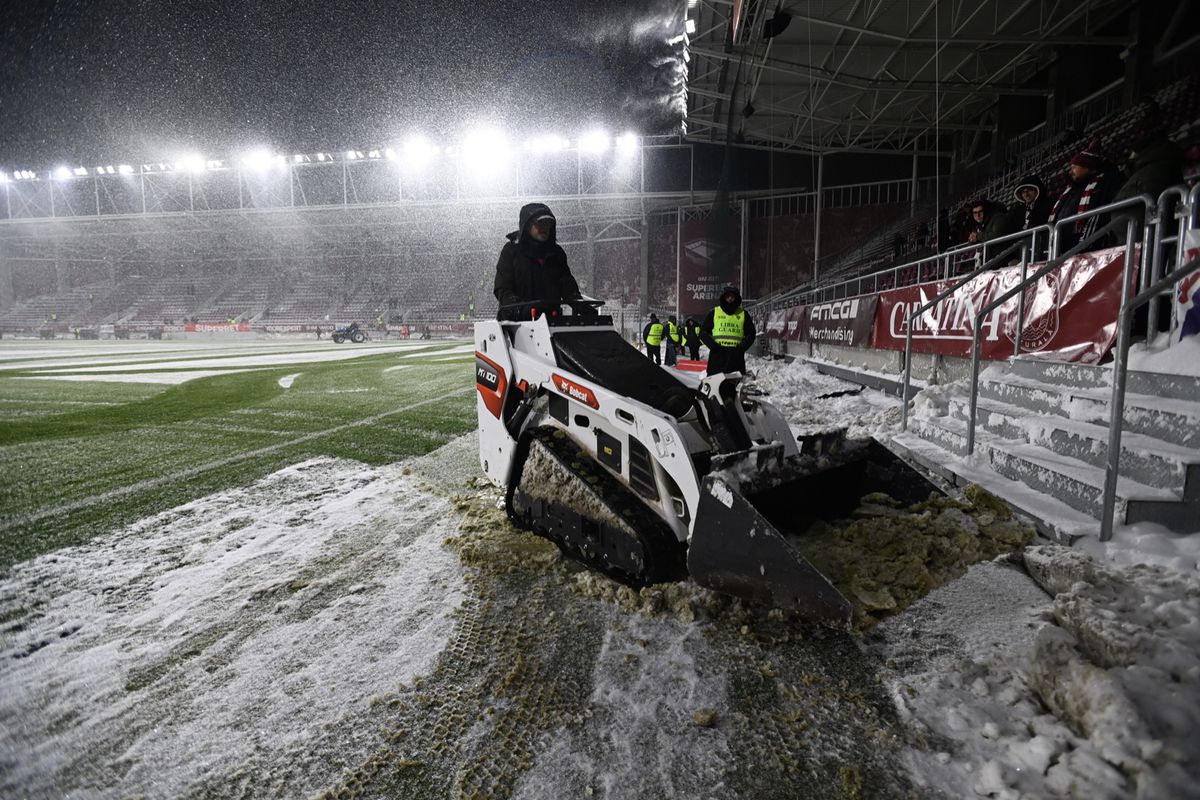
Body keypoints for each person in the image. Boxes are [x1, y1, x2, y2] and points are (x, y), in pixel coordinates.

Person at [493, 202, 582, 318]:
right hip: (516, 324)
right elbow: (503, 289)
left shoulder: (556, 253)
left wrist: (580, 305)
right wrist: (521, 308)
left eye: (548, 223)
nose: (545, 228)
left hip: (551, 321)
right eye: (540, 223)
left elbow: (568, 287)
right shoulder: (511, 250)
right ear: (527, 225)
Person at [1049, 143, 1121, 254]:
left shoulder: (1104, 183)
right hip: (1062, 246)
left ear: (1087, 168)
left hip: (1086, 248)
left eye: (1074, 167)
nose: (1070, 171)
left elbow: (1101, 214)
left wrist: (1084, 243)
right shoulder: (1071, 189)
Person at [700, 286, 757, 376]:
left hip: (735, 357)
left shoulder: (743, 314)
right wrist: (713, 346)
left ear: (736, 298)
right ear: (724, 297)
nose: (730, 299)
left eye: (732, 296)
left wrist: (741, 348)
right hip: (717, 356)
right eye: (728, 296)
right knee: (715, 387)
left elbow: (751, 334)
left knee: (734, 387)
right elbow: (703, 332)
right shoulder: (714, 312)